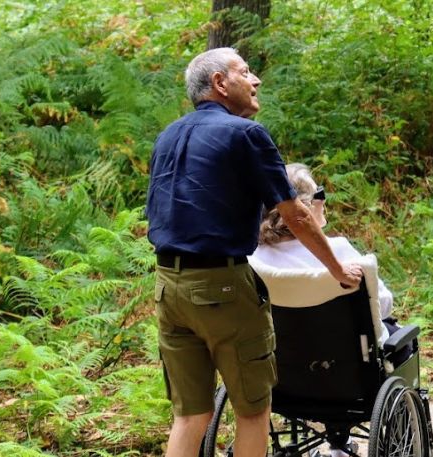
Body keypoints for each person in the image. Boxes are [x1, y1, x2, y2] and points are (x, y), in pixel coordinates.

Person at [146, 47, 362, 457]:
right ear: (220, 84)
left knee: (190, 415)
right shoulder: (246, 134)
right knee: (252, 410)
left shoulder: (167, 135)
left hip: (167, 287)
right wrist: (336, 270)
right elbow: (296, 215)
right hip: (223, 287)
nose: (256, 79)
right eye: (245, 72)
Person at [250, 164, 411, 457]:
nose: (323, 200)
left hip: (282, 380)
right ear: (302, 208)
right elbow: (383, 304)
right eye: (318, 194)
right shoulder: (338, 251)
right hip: (351, 380)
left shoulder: (255, 259)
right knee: (403, 340)